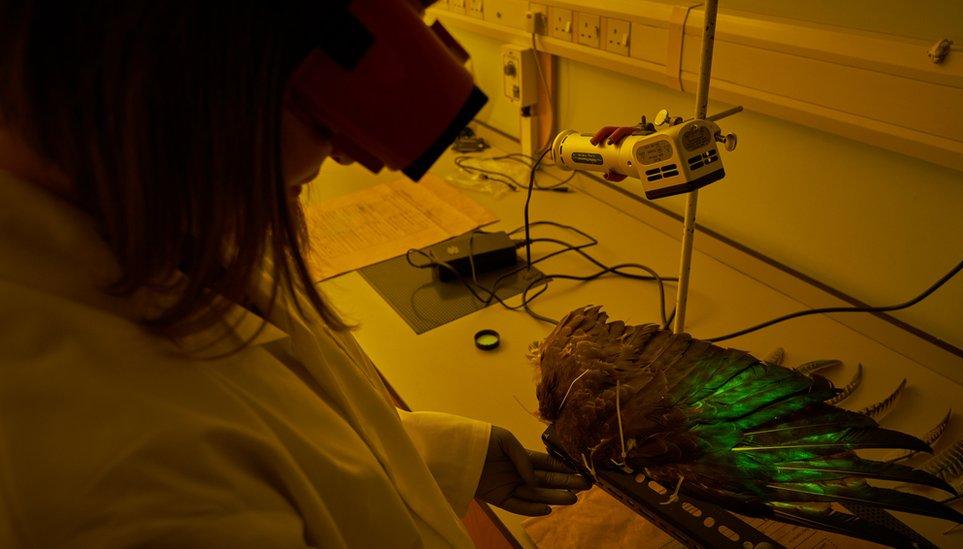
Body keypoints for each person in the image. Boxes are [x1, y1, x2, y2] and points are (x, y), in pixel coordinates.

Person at [0, 3, 588, 547]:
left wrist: (446, 454)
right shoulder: (121, 477)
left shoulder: (163, 209)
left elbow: (285, 429)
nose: (350, 156)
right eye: (322, 117)